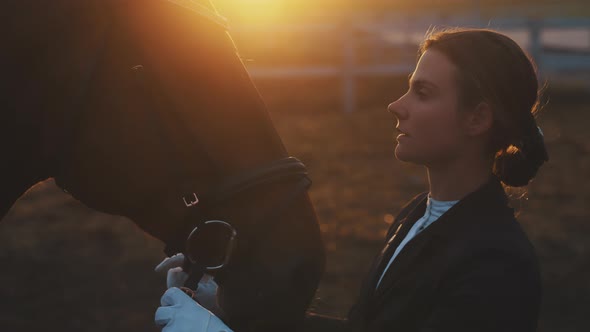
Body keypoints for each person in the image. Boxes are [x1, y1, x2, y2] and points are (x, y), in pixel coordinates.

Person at [153, 27, 549, 332]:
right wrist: (229, 309)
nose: (396, 106)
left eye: (423, 93)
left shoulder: (497, 265)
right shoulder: (418, 215)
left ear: (477, 118)